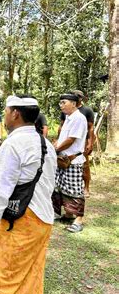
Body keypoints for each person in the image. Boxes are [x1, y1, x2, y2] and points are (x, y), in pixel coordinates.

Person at [0, 95, 57, 294]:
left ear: (15, 113)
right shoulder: (45, 144)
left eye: (6, 111)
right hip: (43, 218)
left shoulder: (12, 146)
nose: (4, 116)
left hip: (21, 221)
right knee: (32, 274)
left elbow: (1, 191)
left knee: (7, 277)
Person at [53, 93, 88, 233]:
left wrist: (55, 149)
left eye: (64, 102)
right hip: (63, 159)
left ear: (73, 104)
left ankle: (79, 220)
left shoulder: (79, 118)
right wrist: (56, 145)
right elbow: (63, 138)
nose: (61, 105)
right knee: (60, 187)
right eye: (60, 102)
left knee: (75, 189)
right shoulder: (68, 118)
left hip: (73, 160)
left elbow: (71, 140)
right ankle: (67, 214)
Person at [58, 90, 95, 197]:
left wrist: (90, 143)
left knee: (85, 166)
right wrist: (58, 142)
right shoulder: (66, 112)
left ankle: (86, 187)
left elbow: (91, 128)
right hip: (66, 146)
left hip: (81, 143)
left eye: (79, 96)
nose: (78, 98)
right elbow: (62, 127)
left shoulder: (86, 111)